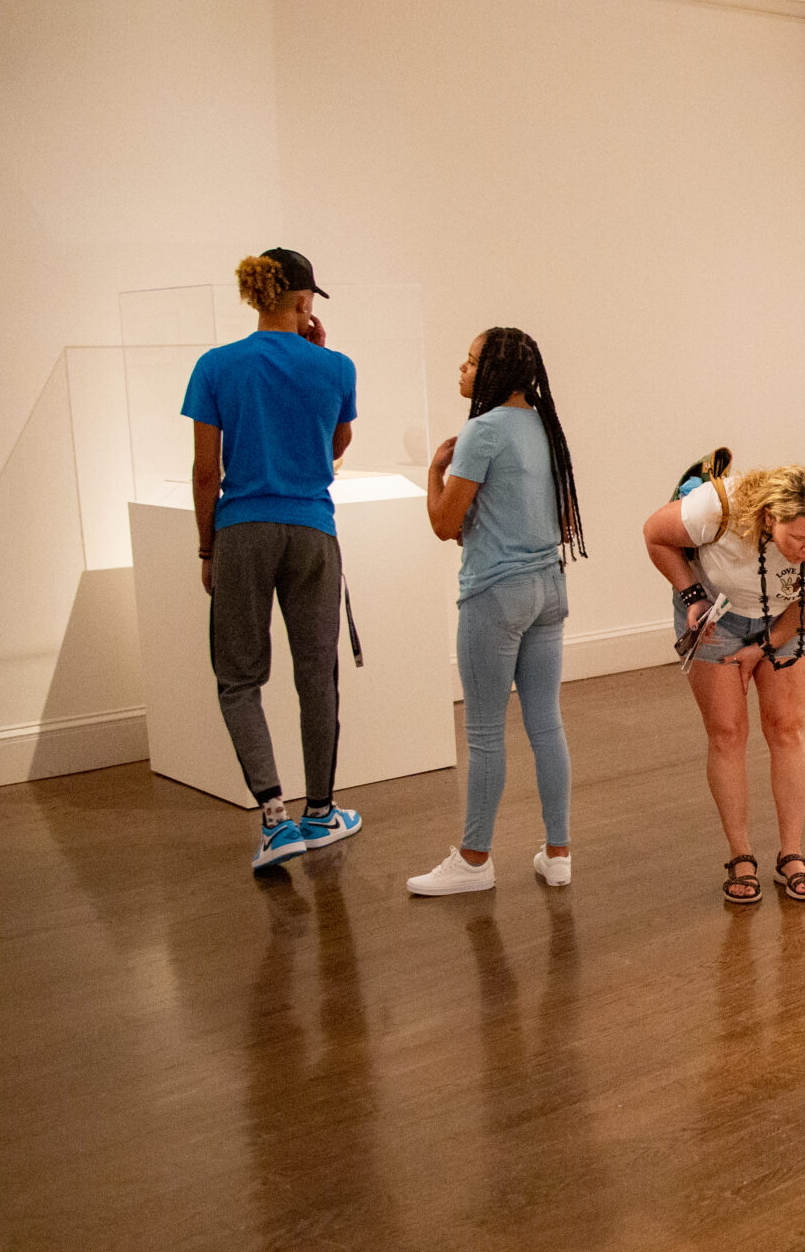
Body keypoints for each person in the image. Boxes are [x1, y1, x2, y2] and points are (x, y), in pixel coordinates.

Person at [184, 248, 364, 872]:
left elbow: (207, 472)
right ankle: (321, 811)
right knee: (317, 672)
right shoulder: (335, 366)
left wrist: (208, 547)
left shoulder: (216, 365)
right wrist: (319, 351)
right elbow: (336, 444)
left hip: (243, 528)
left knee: (239, 678)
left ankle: (274, 820)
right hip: (313, 530)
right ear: (303, 302)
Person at [408, 328, 585, 897]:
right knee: (546, 723)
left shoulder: (480, 433)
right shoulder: (546, 426)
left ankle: (475, 859)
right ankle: (557, 854)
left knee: (485, 733)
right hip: (548, 591)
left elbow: (443, 523)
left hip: (495, 595)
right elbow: (557, 523)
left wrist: (435, 470)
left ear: (495, 372)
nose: (461, 371)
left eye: (470, 362)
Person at [642, 465, 805, 907]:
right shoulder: (718, 507)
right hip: (714, 615)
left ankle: (791, 855)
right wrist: (690, 596)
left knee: (787, 730)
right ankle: (740, 857)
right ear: (770, 516)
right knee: (727, 735)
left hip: (784, 618)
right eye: (798, 539)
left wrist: (763, 646)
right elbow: (655, 535)